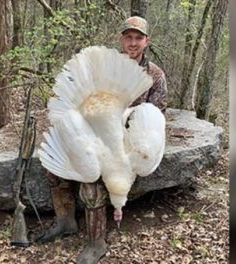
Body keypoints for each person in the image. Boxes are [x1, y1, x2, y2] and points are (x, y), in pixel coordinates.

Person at [38, 16, 167, 264]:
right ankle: (65, 222)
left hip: (127, 143)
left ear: (146, 41)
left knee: (93, 183)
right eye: (128, 37)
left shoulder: (155, 74)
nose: (133, 42)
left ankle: (96, 243)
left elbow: (157, 113)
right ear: (122, 39)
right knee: (55, 169)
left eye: (138, 38)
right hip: (94, 130)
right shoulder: (105, 66)